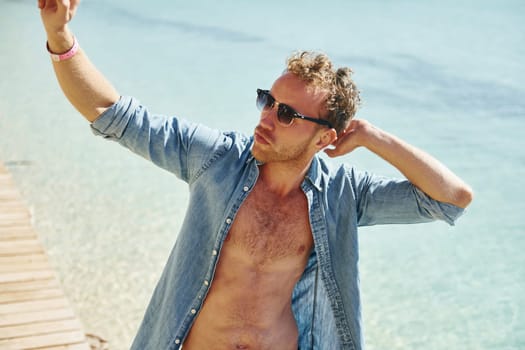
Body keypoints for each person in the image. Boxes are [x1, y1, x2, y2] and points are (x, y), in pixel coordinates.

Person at [38, 0, 473, 349]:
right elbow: (111, 114)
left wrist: (374, 137)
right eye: (268, 100)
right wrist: (60, 37)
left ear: (325, 139)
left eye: (286, 113)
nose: (266, 117)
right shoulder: (217, 160)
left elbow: (451, 198)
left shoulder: (343, 196)